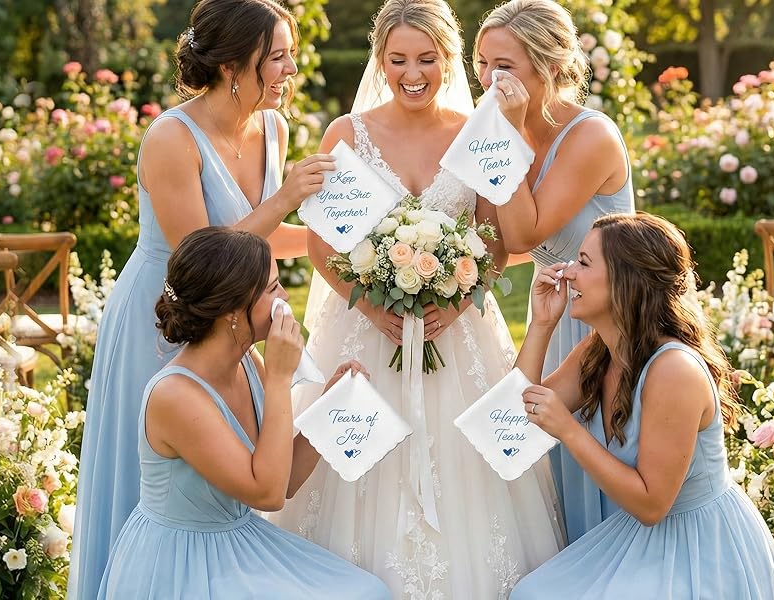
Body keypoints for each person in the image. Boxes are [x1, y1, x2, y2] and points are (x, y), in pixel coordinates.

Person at [268, 1, 561, 597]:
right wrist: (371, 308)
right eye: (398, 59)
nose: (412, 73)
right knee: (358, 464)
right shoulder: (346, 134)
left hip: (457, 333)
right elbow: (322, 246)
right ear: (380, 60)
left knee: (468, 466)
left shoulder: (477, 134)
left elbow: (494, 240)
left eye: (427, 58)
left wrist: (454, 304)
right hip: (363, 334)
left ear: (449, 60)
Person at [69, 0, 335, 595]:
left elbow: (260, 237)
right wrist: (287, 198)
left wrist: (338, 242)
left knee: (222, 474)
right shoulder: (171, 138)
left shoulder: (272, 127)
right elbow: (203, 255)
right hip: (165, 312)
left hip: (234, 316)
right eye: (277, 57)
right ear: (232, 66)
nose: (291, 69)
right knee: (156, 475)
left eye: (291, 54)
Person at [98, 227, 389, 599]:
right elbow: (268, 494)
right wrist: (280, 378)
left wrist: (331, 407)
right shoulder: (176, 396)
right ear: (233, 312)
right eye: (272, 289)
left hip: (237, 542)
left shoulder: (248, 361)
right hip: (180, 562)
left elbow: (284, 480)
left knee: (369, 590)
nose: (285, 298)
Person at [509, 213, 774, 598]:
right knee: (532, 592)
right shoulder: (599, 351)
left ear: (627, 281)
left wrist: (568, 430)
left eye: (584, 263)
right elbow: (515, 416)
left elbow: (652, 505)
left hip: (699, 549)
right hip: (641, 535)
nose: (569, 273)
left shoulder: (673, 371)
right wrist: (541, 325)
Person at [474, 0, 635, 541]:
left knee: (601, 462)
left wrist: (504, 136)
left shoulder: (592, 136)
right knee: (552, 467)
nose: (488, 80)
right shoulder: (505, 128)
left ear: (549, 67)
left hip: (608, 325)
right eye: (481, 64)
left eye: (504, 66)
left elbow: (525, 233)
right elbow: (495, 241)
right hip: (554, 314)